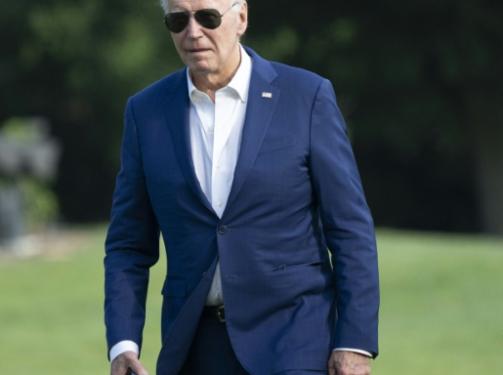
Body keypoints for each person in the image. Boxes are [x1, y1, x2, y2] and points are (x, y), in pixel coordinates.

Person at [104, 0, 379, 374]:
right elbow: (127, 245)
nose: (193, 31)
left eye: (207, 17)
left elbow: (350, 228)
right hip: (194, 347)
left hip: (295, 342)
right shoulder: (145, 112)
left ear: (242, 18)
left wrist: (354, 342)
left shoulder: (306, 96)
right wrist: (123, 344)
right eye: (178, 20)